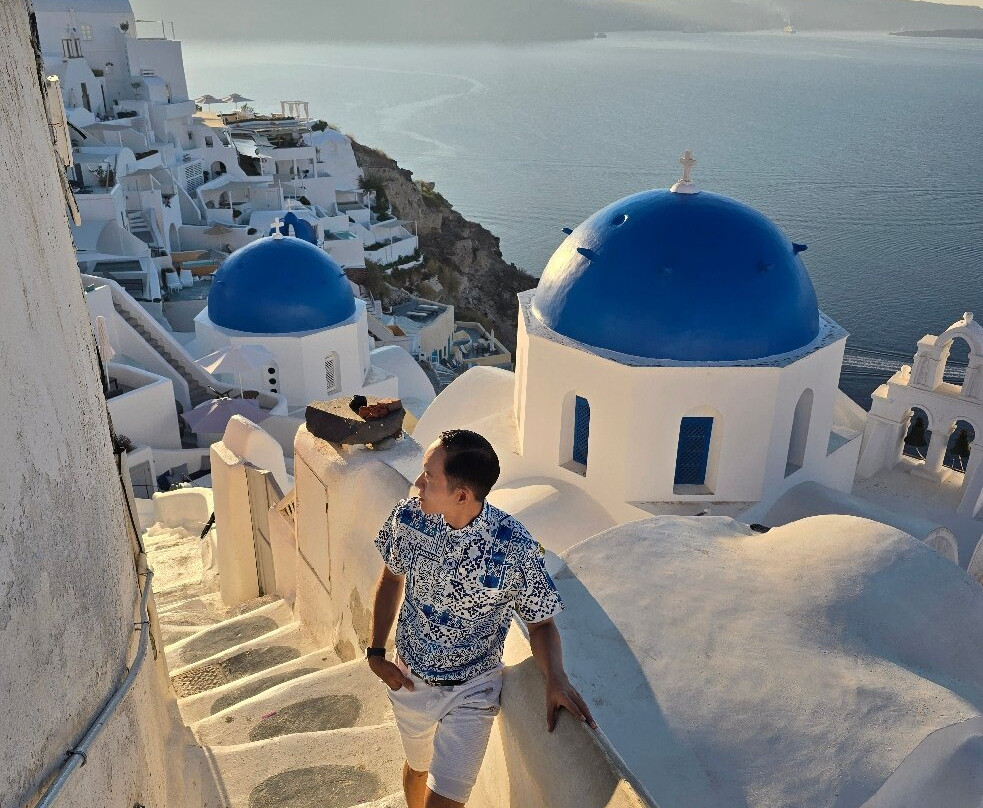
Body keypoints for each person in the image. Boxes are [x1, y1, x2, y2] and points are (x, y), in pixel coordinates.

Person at [368, 429, 595, 808]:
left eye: (429, 477)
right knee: (416, 768)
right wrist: (376, 653)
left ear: (461, 495)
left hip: (472, 690)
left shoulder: (513, 546)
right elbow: (391, 577)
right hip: (409, 679)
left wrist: (556, 677)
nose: (418, 484)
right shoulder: (408, 518)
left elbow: (541, 624)